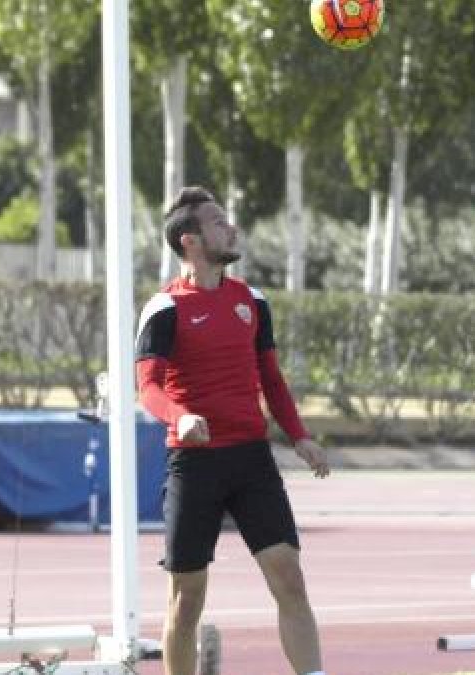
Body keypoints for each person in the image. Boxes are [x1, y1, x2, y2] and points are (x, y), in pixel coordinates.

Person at [135, 186, 330, 675]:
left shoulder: (251, 301)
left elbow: (271, 378)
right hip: (194, 464)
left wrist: (299, 436)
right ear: (190, 240)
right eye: (218, 222)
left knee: (289, 577)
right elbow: (148, 388)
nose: (231, 228)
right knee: (187, 600)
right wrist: (180, 416)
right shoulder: (164, 308)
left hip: (251, 460)